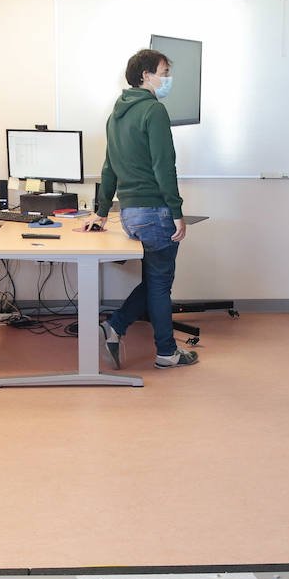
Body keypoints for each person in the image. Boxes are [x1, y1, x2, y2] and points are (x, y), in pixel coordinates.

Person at [88, 48, 195, 368]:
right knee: (160, 283)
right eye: (163, 72)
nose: (167, 79)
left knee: (154, 280)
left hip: (131, 215)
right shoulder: (153, 110)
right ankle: (166, 353)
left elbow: (109, 167)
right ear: (145, 75)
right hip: (155, 211)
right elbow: (165, 165)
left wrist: (102, 210)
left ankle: (115, 325)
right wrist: (177, 211)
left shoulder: (115, 115)